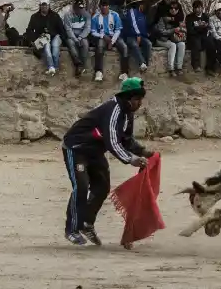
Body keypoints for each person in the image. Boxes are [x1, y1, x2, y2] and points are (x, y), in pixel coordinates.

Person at [61, 77, 153, 248]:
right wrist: (131, 159)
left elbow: (126, 139)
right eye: (137, 99)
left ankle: (87, 223)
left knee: (102, 187)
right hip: (77, 149)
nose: (140, 103)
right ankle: (72, 229)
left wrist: (143, 151)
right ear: (128, 98)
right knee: (81, 186)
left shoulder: (127, 114)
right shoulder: (114, 110)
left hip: (95, 151)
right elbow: (112, 142)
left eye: (141, 99)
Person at [24, 0, 65, 76]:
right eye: (42, 5)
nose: (44, 7)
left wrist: (62, 38)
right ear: (40, 6)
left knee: (55, 48)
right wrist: (33, 39)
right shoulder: (34, 17)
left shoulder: (55, 16)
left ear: (49, 6)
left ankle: (54, 68)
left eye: (46, 5)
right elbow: (29, 30)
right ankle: (51, 67)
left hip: (54, 36)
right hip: (42, 38)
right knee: (47, 48)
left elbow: (61, 29)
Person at [89, 0, 125, 82]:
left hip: (114, 36)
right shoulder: (95, 17)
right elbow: (93, 32)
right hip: (102, 37)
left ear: (109, 6)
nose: (104, 7)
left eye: (106, 5)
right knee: (100, 46)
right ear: (100, 7)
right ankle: (98, 72)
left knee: (124, 47)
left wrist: (111, 41)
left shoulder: (115, 15)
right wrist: (103, 36)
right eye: (102, 6)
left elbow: (118, 30)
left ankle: (124, 73)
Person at [120, 0, 151, 74]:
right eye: (140, 3)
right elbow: (133, 24)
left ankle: (145, 64)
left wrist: (146, 34)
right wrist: (138, 34)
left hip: (141, 36)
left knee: (148, 44)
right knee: (134, 45)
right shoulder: (131, 11)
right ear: (137, 4)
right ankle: (142, 63)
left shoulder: (141, 14)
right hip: (131, 36)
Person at [63, 0, 92, 78]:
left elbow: (87, 28)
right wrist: (75, 39)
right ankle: (77, 63)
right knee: (71, 44)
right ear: (74, 7)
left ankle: (82, 65)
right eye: (78, 8)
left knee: (85, 44)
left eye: (81, 8)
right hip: (71, 36)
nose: (80, 10)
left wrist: (80, 37)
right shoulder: (67, 15)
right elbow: (68, 29)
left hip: (82, 35)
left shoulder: (87, 15)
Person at [185, 0, 210, 73]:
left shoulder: (205, 16)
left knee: (210, 42)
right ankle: (196, 65)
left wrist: (198, 28)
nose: (197, 10)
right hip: (193, 37)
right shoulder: (189, 17)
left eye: (199, 8)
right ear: (193, 8)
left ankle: (211, 65)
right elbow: (190, 30)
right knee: (196, 43)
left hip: (203, 36)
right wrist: (200, 28)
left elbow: (206, 29)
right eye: (195, 8)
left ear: (202, 8)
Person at [205, 2, 221, 74]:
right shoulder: (211, 19)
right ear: (215, 11)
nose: (220, 12)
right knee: (215, 46)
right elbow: (213, 31)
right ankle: (218, 64)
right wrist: (219, 38)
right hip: (215, 37)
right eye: (218, 10)